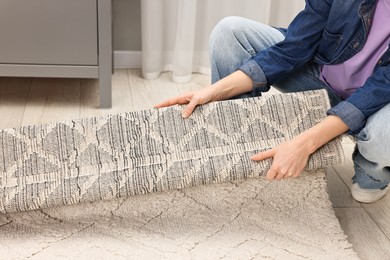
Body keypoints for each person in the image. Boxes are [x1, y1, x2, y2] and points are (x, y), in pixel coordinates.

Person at [155, 0, 390, 204]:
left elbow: (378, 90)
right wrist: (214, 91)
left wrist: (304, 145)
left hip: (378, 105)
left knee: (385, 134)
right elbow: (295, 48)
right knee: (230, 32)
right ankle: (242, 156)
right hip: (319, 77)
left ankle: (372, 174)